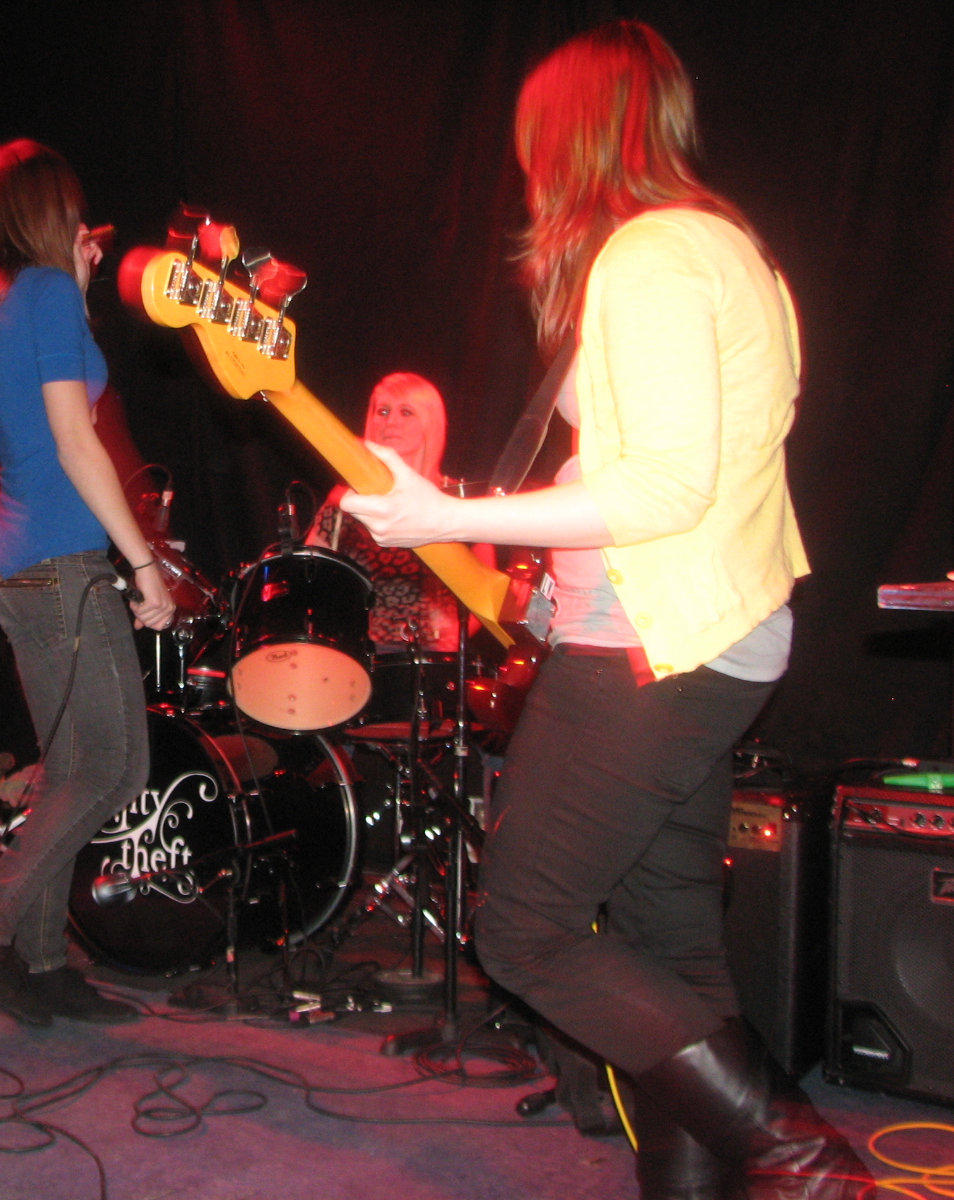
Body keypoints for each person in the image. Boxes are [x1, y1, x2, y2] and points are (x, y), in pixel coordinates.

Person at [341, 22, 870, 1200]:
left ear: (570, 141)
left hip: (646, 646)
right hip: (704, 637)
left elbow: (667, 486)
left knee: (522, 928)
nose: (527, 173)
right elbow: (658, 456)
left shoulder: (648, 255)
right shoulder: (730, 251)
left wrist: (442, 517)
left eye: (535, 146)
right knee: (668, 944)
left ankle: (807, 1164)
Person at [0, 139, 176, 1026]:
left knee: (70, 773)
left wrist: (72, 289)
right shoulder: (46, 294)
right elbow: (76, 440)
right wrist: (143, 562)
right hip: (64, 565)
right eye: (76, 211)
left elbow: (29, 414)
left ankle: (41, 964)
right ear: (55, 211)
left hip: (11, 563)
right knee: (117, 766)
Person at [307, 372, 460, 652]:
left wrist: (451, 645)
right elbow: (307, 574)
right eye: (383, 411)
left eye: (406, 412)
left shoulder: (457, 497)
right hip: (353, 655)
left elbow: (488, 594)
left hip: (430, 658)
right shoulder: (346, 500)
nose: (391, 422)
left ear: (429, 423)